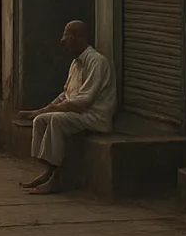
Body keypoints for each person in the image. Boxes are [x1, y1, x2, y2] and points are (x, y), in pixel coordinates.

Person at [19, 20, 115, 194]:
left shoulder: (97, 62)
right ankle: (48, 171)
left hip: (94, 116)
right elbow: (66, 94)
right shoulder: (75, 63)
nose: (63, 41)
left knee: (56, 120)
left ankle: (57, 179)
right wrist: (42, 110)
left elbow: (84, 101)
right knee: (40, 120)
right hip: (78, 114)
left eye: (67, 36)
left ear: (78, 37)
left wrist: (49, 110)